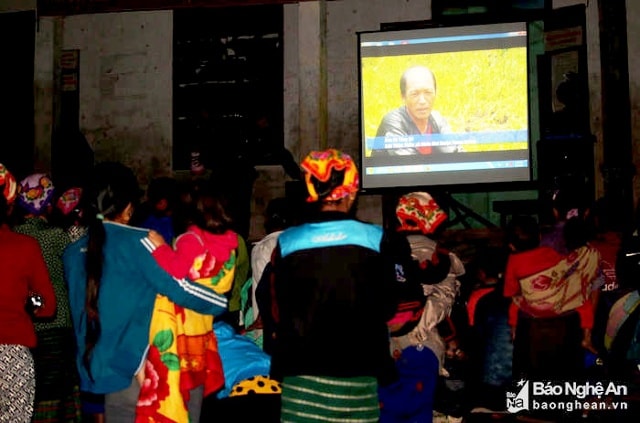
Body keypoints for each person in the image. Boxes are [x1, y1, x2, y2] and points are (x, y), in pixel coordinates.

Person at [62, 162, 229, 422]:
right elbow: (180, 289)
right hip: (138, 372)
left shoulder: (72, 253)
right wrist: (219, 302)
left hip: (96, 371)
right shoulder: (139, 243)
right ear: (128, 208)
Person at [265, 148, 399, 421]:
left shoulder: (286, 243)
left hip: (300, 375)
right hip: (359, 373)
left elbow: (276, 308)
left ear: (312, 192)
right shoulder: (378, 239)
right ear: (351, 193)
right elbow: (388, 306)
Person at [139, 188, 241, 422]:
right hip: (202, 329)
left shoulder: (190, 240)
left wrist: (159, 247)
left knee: (174, 390)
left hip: (178, 328)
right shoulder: (231, 245)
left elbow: (176, 271)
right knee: (195, 392)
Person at [378, 191, 465, 423]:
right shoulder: (441, 257)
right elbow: (444, 304)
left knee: (387, 412)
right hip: (423, 345)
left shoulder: (381, 251)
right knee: (418, 412)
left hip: (382, 348)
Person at [13, 173, 83, 423]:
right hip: (57, 322)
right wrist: (73, 218)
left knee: (33, 392)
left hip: (24, 325)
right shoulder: (56, 235)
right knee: (57, 394)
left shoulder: (14, 235)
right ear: (48, 204)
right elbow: (80, 247)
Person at [504, 215, 597, 381]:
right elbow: (564, 273)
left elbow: (512, 293)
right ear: (540, 238)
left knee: (515, 305)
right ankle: (587, 336)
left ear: (511, 246)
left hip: (533, 325)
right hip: (565, 318)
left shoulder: (513, 261)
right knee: (580, 295)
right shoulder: (552, 253)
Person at [0, 164, 57, 423]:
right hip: (13, 354)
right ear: (9, 207)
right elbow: (46, 304)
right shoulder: (25, 247)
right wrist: (28, 301)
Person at [374, 65, 457, 156]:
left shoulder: (438, 119)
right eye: (414, 94)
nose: (422, 101)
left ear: (435, 93)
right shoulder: (394, 122)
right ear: (403, 96)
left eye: (428, 93)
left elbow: (456, 153)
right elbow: (409, 164)